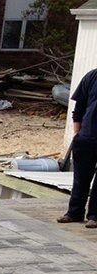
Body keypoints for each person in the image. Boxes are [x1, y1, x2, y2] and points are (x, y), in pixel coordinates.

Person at [59, 68, 97, 228]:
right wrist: (76, 133)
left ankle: (94, 216)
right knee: (80, 178)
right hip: (86, 138)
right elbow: (79, 107)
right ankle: (74, 213)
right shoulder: (92, 76)